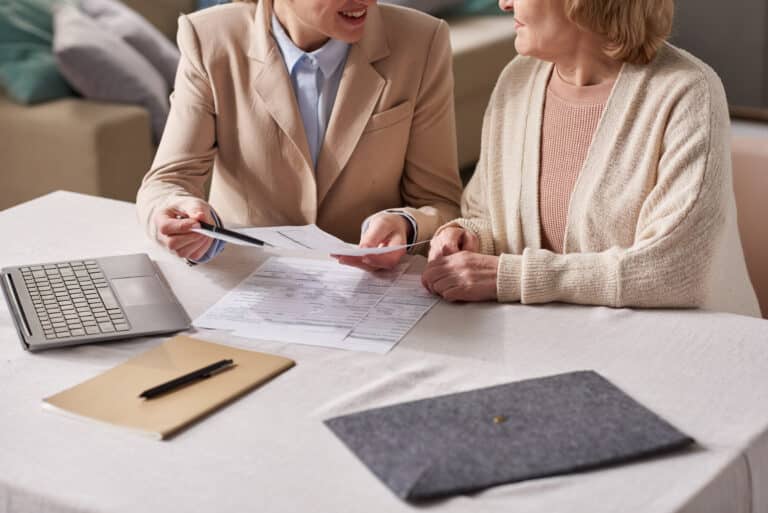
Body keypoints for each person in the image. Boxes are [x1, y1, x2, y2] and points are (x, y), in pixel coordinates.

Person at [422, 0, 761, 316]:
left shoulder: (688, 92)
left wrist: (511, 277)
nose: (503, 3)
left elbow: (676, 268)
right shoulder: (518, 79)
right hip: (557, 341)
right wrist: (470, 236)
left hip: (683, 353)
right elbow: (485, 211)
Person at [136, 0, 462, 270]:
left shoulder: (422, 41)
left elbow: (441, 204)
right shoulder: (209, 38)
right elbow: (167, 182)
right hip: (249, 283)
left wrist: (406, 224)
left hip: (368, 291)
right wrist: (176, 211)